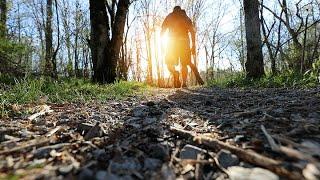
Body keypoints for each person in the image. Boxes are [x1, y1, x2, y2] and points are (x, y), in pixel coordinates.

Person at [161, 6, 204, 88]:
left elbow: (163, 29)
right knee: (181, 63)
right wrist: (193, 44)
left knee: (171, 63)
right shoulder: (184, 17)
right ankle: (181, 80)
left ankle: (178, 77)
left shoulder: (171, 16)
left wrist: (161, 42)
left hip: (173, 42)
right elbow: (192, 31)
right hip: (180, 42)